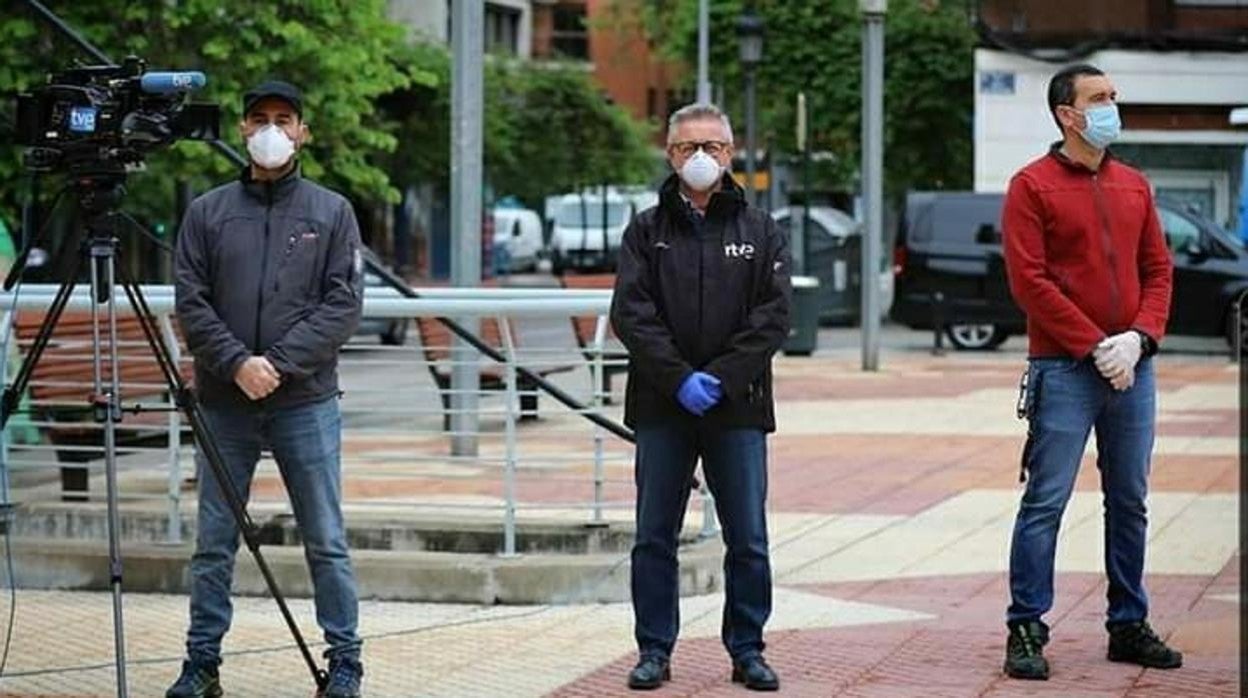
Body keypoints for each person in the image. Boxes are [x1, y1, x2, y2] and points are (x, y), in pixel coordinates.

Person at [167, 80, 365, 698]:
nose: (273, 129)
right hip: (225, 403)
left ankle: (345, 660)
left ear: (303, 131)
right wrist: (235, 364)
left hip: (303, 400)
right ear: (243, 130)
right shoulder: (207, 212)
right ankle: (202, 663)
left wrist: (274, 363)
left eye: (285, 119)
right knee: (213, 544)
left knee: (326, 540)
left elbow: (343, 305)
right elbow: (191, 302)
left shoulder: (332, 212)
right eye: (260, 119)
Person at [1001, 64, 1182, 681]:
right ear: (1067, 115)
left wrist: (1138, 339)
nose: (1111, 106)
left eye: (1113, 96)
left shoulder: (1135, 185)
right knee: (1045, 501)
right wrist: (1093, 345)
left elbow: (1159, 270)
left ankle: (1128, 623)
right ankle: (1026, 626)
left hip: (1133, 368)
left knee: (1129, 501)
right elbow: (1029, 281)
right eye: (1098, 99)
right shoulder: (1031, 186)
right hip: (1063, 370)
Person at [610, 103, 791, 692]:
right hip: (664, 407)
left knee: (748, 538)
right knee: (654, 536)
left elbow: (774, 316)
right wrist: (678, 379)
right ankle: (654, 651)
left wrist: (720, 378)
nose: (700, 158)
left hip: (737, 407)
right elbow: (632, 315)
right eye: (688, 148)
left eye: (712, 147)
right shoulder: (645, 229)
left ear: (731, 154)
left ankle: (748, 649)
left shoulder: (760, 229)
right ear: (670, 154)